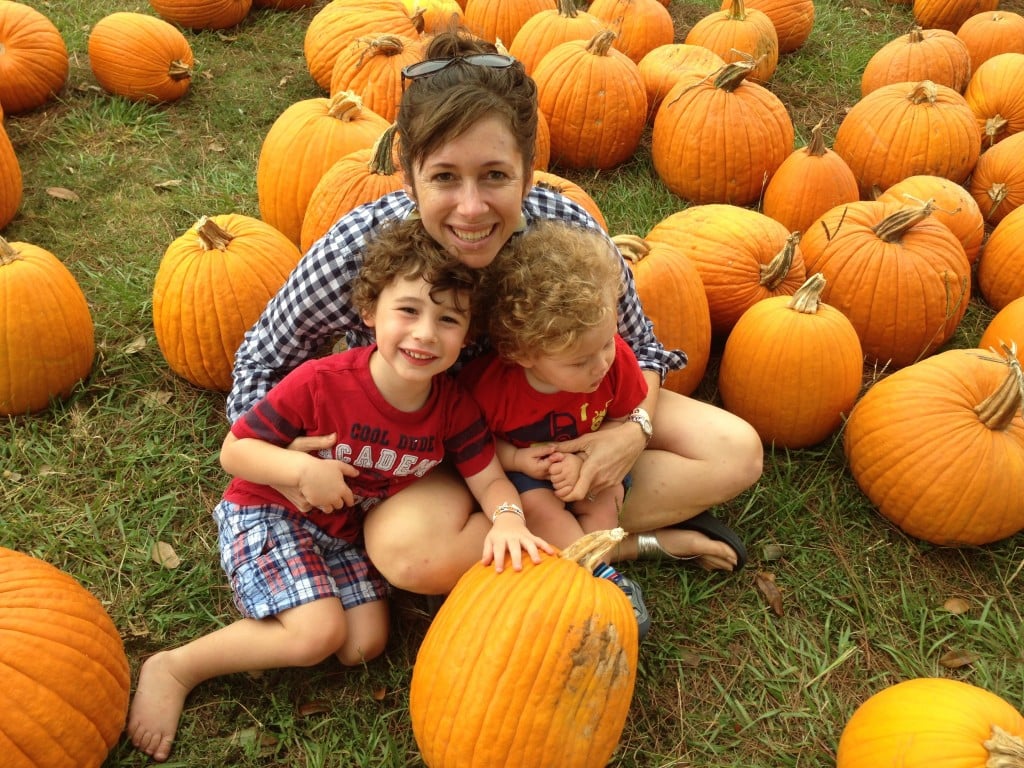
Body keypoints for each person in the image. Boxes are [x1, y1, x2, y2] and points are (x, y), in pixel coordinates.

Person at [228, 24, 761, 598]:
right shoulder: (363, 248)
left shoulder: (567, 229)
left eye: (495, 176)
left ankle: (573, 530)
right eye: (444, 179)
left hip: (567, 417)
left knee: (736, 451)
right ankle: (615, 540)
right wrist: (284, 457)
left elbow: (640, 346)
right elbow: (264, 357)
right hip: (441, 456)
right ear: (409, 177)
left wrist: (630, 431)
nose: (472, 207)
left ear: (528, 172)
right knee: (409, 554)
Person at [127, 218, 552, 762]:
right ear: (370, 311)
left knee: (362, 644)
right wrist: (300, 472)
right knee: (317, 635)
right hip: (272, 511)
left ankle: (288, 616)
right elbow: (234, 452)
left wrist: (510, 518)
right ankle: (177, 667)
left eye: (448, 320)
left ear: (467, 337)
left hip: (340, 533)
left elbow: (489, 478)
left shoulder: (452, 407)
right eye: (409, 311)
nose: (425, 333)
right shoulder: (322, 382)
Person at [459, 220, 655, 636]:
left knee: (604, 504)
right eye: (580, 361)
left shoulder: (615, 361)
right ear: (524, 354)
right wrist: (517, 459)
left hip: (594, 466)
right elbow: (475, 444)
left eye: (606, 343)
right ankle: (601, 579)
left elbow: (624, 418)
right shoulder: (495, 388)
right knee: (539, 511)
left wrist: (592, 460)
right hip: (528, 476)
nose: (601, 363)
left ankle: (590, 566)